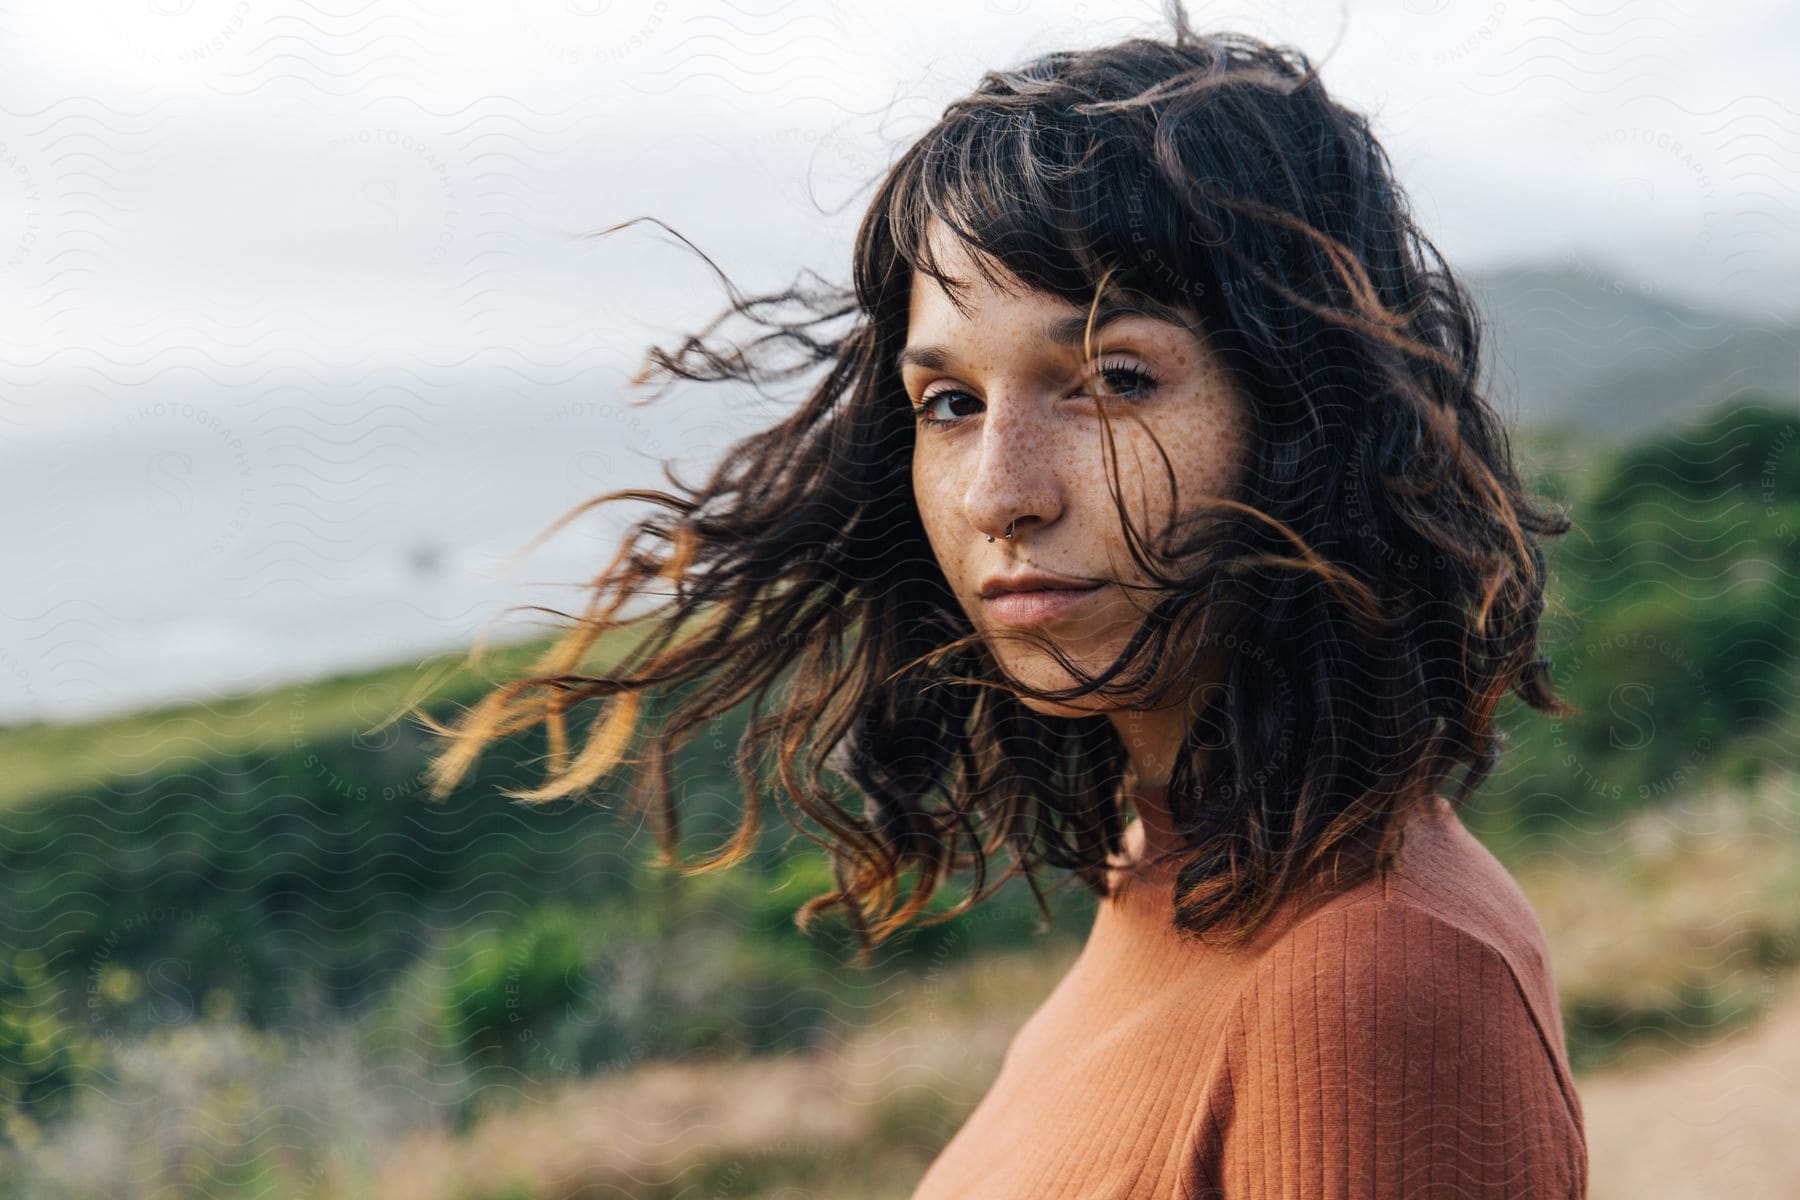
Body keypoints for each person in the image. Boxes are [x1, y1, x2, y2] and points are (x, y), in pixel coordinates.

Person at [418, 5, 1589, 1196]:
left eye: (1111, 380)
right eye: (949, 403)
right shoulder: (1174, 860)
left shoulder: (1374, 979)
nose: (999, 494)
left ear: (1306, 415)